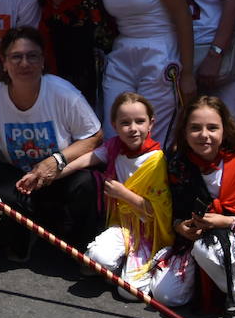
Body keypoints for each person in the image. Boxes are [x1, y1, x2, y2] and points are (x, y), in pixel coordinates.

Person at [0, 27, 101, 257]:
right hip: (19, 178)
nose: (25, 63)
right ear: (4, 63)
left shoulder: (63, 93)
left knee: (86, 184)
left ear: (43, 61)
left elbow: (95, 136)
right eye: (16, 57)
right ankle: (20, 240)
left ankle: (83, 249)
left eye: (32, 55)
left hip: (59, 176)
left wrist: (57, 160)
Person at [156, 96, 235, 318]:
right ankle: (203, 286)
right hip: (188, 242)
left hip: (229, 241)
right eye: (195, 128)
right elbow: (171, 209)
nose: (204, 135)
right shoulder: (178, 164)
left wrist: (225, 221)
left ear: (224, 131)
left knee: (206, 247)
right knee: (166, 296)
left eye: (212, 128)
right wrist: (179, 226)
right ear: (185, 132)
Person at [89, 0, 196, 144]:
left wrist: (187, 72)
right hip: (123, 52)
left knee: (153, 132)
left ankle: (154, 180)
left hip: (160, 49)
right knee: (113, 127)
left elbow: (181, 14)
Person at [62, 92, 172, 298]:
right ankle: (122, 261)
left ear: (151, 124)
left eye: (140, 121)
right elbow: (87, 159)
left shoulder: (156, 160)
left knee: (129, 293)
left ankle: (148, 265)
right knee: (96, 258)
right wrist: (52, 172)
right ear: (114, 125)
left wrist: (123, 194)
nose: (133, 129)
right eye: (125, 123)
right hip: (120, 226)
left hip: (148, 234)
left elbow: (159, 212)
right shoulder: (115, 147)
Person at [33, 0, 114, 105]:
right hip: (54, 91)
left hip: (96, 90)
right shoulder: (38, 6)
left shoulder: (88, 8)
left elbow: (103, 51)